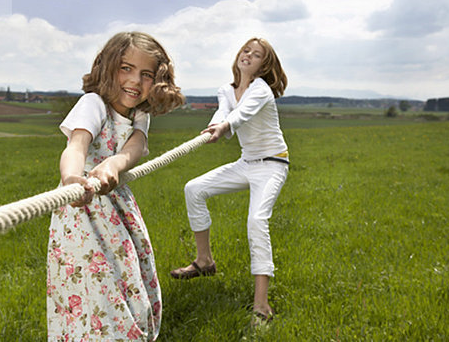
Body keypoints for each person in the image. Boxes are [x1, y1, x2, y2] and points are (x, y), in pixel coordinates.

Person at [47, 31, 184, 341]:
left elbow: (136, 145)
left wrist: (115, 164)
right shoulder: (93, 104)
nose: (135, 81)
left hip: (117, 207)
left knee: (130, 279)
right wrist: (71, 180)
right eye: (126, 68)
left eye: (146, 74)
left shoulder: (140, 114)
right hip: (82, 212)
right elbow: (76, 145)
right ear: (107, 67)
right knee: (94, 287)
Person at [170, 37, 289, 324]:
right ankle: (204, 262)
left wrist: (224, 126)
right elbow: (224, 112)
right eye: (246, 50)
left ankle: (262, 305)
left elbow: (239, 115)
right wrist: (214, 125)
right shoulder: (226, 89)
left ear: (264, 65)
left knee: (257, 221)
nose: (249, 55)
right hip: (246, 163)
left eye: (257, 54)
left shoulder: (261, 90)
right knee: (194, 188)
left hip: (273, 164)